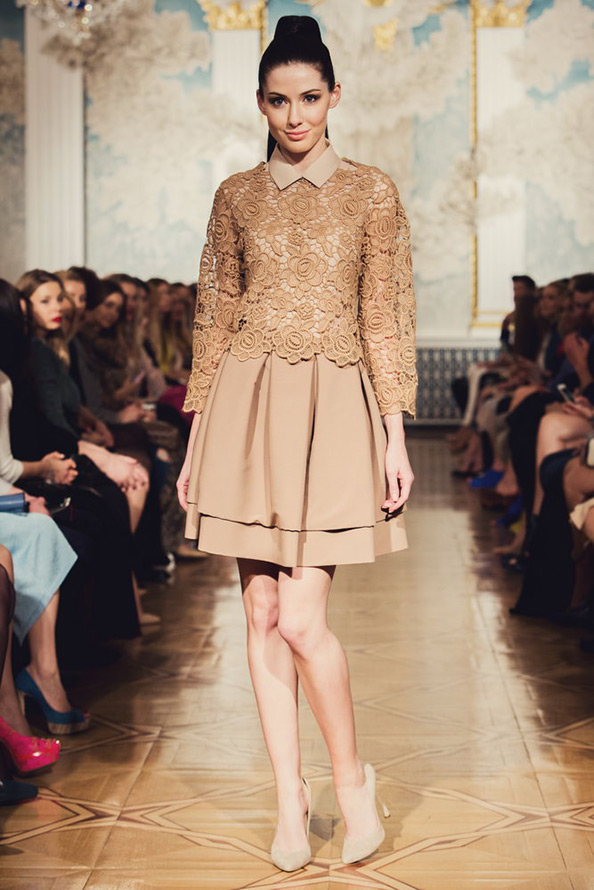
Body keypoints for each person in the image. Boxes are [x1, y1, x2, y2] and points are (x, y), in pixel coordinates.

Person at [176, 16, 416, 872]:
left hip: (337, 407)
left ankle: (352, 786)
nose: (296, 115)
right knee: (261, 612)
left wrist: (395, 435)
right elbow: (213, 317)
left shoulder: (372, 192)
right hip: (244, 407)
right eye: (279, 100)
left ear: (335, 96)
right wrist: (196, 437)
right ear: (261, 103)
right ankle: (289, 797)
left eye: (310, 97)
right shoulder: (235, 196)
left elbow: (385, 315)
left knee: (305, 617)